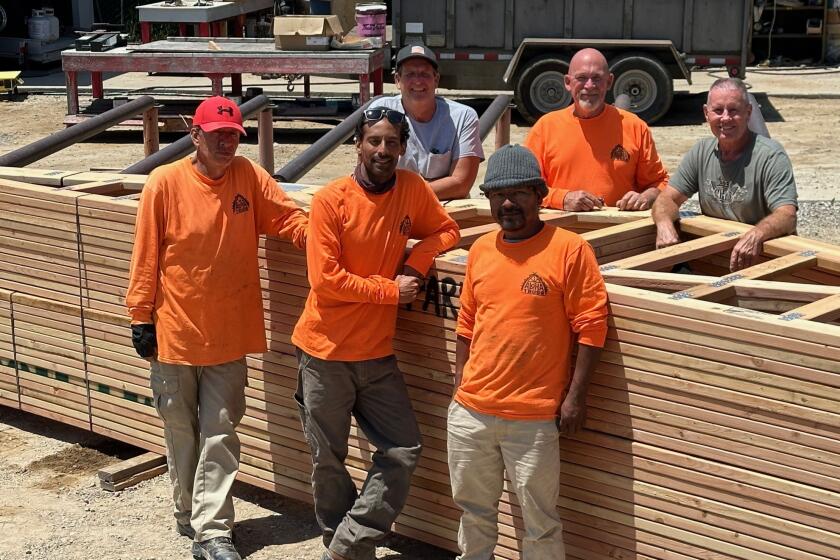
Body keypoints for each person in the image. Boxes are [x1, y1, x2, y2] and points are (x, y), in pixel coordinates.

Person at [126, 96, 308, 560]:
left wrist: (331, 234)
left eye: (233, 136)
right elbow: (145, 255)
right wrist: (139, 317)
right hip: (175, 333)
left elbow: (287, 218)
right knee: (181, 432)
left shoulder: (248, 176)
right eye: (217, 135)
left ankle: (213, 530)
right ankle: (188, 512)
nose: (227, 143)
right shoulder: (164, 184)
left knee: (221, 433)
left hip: (231, 333)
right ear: (196, 136)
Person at [292, 106, 460, 560]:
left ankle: (348, 544)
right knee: (328, 459)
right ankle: (344, 546)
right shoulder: (330, 200)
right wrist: (391, 290)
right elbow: (324, 280)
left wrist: (415, 263)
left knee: (403, 449)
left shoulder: (410, 188)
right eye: (374, 141)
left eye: (392, 142)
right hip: (324, 352)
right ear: (358, 145)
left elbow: (447, 230)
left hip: (377, 355)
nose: (383, 150)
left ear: (404, 147)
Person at [448, 144, 609, 559]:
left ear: (540, 194)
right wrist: (460, 384)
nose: (507, 203)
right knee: (473, 513)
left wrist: (575, 397)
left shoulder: (569, 249)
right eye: (498, 195)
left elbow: (591, 327)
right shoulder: (482, 250)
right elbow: (467, 324)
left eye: (519, 193)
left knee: (540, 522)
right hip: (472, 414)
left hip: (534, 418)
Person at [651, 78, 798, 271]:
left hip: (760, 260)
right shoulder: (702, 151)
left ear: (748, 112)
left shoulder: (770, 155)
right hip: (714, 257)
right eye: (718, 110)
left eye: (734, 110)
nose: (726, 118)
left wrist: (757, 235)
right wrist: (664, 224)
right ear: (706, 113)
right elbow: (666, 199)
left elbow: (787, 215)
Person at [524, 48, 669, 212]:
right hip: (560, 230)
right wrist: (562, 199)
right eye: (581, 78)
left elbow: (659, 183)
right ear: (567, 82)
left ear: (609, 82)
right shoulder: (545, 128)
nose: (589, 85)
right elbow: (525, 187)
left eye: (597, 78)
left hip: (618, 231)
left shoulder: (635, 127)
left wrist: (645, 197)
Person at [377, 43, 484, 200]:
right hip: (394, 206)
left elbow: (461, 184)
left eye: (424, 74)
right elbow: (371, 174)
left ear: (436, 80)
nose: (418, 81)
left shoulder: (463, 117)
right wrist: (437, 185)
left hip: (441, 210)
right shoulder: (381, 112)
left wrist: (403, 193)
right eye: (410, 74)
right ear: (397, 80)